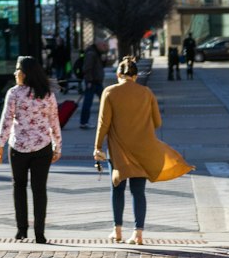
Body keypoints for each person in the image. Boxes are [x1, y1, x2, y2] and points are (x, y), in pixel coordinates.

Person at [94, 56, 193, 245]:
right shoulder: (146, 93)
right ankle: (138, 234)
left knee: (117, 189)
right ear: (136, 76)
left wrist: (97, 147)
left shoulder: (110, 92)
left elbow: (103, 123)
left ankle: (117, 231)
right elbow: (157, 122)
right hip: (142, 149)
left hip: (118, 150)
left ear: (118, 74)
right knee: (138, 192)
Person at [0, 55, 62, 244]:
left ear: (24, 73)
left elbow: (6, 120)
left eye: (18, 70)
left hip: (18, 147)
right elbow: (54, 121)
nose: (15, 73)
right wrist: (58, 145)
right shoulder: (47, 93)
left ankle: (21, 230)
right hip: (43, 147)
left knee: (19, 187)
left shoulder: (14, 93)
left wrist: (0, 144)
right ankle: (39, 233)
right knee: (40, 190)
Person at [77, 41, 105, 129]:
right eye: (103, 45)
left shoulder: (96, 53)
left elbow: (98, 67)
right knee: (88, 101)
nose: (105, 47)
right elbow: (87, 68)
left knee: (104, 99)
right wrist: (89, 81)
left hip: (95, 81)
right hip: (92, 81)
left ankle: (84, 121)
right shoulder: (92, 54)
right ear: (98, 45)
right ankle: (84, 122)